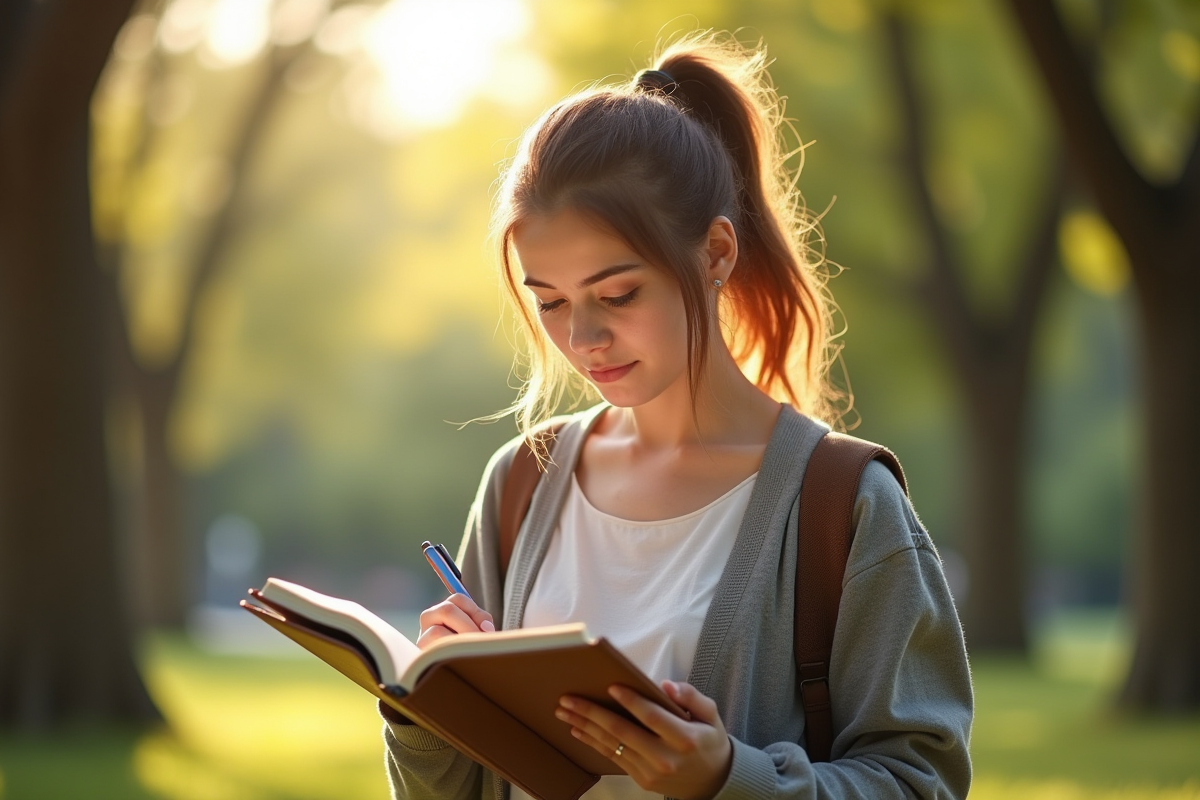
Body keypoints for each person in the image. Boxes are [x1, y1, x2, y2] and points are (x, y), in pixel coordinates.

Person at [381, 32, 973, 800]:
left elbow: (920, 782)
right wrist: (427, 714)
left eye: (618, 294)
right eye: (551, 302)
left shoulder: (843, 505)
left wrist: (730, 777)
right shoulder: (522, 482)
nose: (583, 339)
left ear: (716, 253)